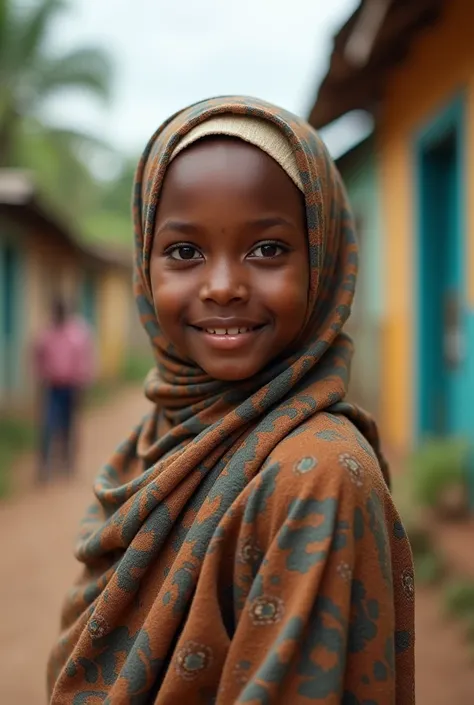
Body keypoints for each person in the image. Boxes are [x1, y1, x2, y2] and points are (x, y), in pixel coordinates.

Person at [47, 97, 414, 704]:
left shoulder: (315, 476)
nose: (222, 287)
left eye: (267, 249)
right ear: (146, 265)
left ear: (322, 262)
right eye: (185, 252)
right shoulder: (164, 433)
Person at [33, 297, 94, 483]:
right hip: (52, 388)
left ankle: (68, 463)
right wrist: (40, 380)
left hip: (71, 387)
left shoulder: (78, 333)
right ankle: (44, 466)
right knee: (48, 426)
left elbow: (85, 361)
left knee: (69, 426)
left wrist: (82, 387)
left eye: (62, 310)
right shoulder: (45, 333)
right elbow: (37, 356)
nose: (59, 313)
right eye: (56, 310)